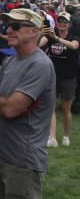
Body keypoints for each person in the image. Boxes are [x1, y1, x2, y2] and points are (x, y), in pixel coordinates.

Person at [0, 8, 55, 199]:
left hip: (23, 163)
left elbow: (8, 109)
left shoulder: (40, 65)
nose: (9, 30)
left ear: (34, 31)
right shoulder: (9, 62)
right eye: (7, 25)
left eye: (15, 26)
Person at [39, 11, 79, 147]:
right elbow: (38, 45)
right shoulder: (50, 36)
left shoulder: (74, 37)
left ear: (69, 24)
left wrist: (56, 38)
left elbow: (73, 46)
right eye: (59, 20)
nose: (61, 23)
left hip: (68, 77)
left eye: (64, 21)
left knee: (66, 108)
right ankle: (52, 137)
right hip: (52, 76)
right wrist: (42, 33)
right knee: (51, 106)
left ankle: (66, 137)